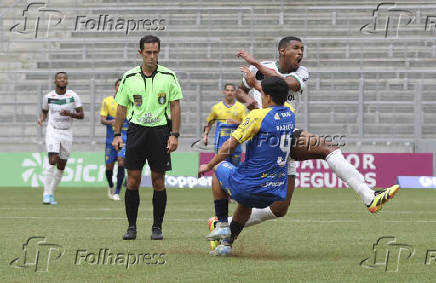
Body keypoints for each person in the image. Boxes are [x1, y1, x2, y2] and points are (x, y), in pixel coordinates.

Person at [223, 36, 399, 229]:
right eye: (296, 48)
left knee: (279, 208)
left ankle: (223, 226)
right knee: (327, 148)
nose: (300, 52)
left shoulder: (301, 73)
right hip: (265, 137)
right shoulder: (259, 68)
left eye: (302, 49)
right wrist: (248, 100)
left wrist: (254, 63)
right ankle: (369, 196)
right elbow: (240, 90)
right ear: (282, 51)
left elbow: (283, 83)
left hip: (283, 133)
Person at [199, 76, 294, 256]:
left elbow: (229, 146)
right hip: (273, 193)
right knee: (244, 205)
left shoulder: (257, 116)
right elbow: (275, 95)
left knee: (220, 167)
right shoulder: (290, 113)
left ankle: (221, 224)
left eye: (262, 93)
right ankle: (226, 245)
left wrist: (209, 165)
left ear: (267, 97)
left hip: (250, 186)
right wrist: (255, 84)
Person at [112, 35, 183, 241]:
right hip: (136, 132)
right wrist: (117, 134)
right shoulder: (129, 77)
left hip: (160, 132)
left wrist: (174, 135)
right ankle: (131, 227)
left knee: (158, 181)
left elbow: (175, 106)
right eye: (148, 52)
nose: (152, 56)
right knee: (132, 181)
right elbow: (122, 107)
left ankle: (157, 227)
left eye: (156, 52)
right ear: (140, 53)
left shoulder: (169, 76)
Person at [37, 72, 84, 205]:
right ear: (55, 81)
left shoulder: (73, 96)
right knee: (53, 159)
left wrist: (69, 113)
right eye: (59, 78)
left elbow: (81, 115)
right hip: (53, 131)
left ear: (67, 81)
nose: (62, 80)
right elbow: (45, 111)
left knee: (61, 165)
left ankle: (51, 192)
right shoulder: (48, 97)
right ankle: (45, 194)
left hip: (67, 132)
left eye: (64, 78)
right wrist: (41, 119)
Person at [203, 83, 246, 166]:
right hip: (220, 144)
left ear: (235, 92)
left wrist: (237, 122)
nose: (229, 92)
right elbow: (209, 123)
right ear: (224, 92)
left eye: (232, 90)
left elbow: (246, 124)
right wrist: (205, 136)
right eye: (227, 90)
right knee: (220, 167)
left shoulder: (241, 107)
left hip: (235, 144)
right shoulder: (216, 107)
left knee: (235, 168)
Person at [100, 78, 129, 201]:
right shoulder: (107, 101)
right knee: (109, 167)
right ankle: (111, 185)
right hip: (110, 139)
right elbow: (102, 119)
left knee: (121, 161)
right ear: (115, 87)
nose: (119, 87)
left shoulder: (130, 101)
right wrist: (110, 121)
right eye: (118, 85)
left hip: (124, 137)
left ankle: (117, 191)